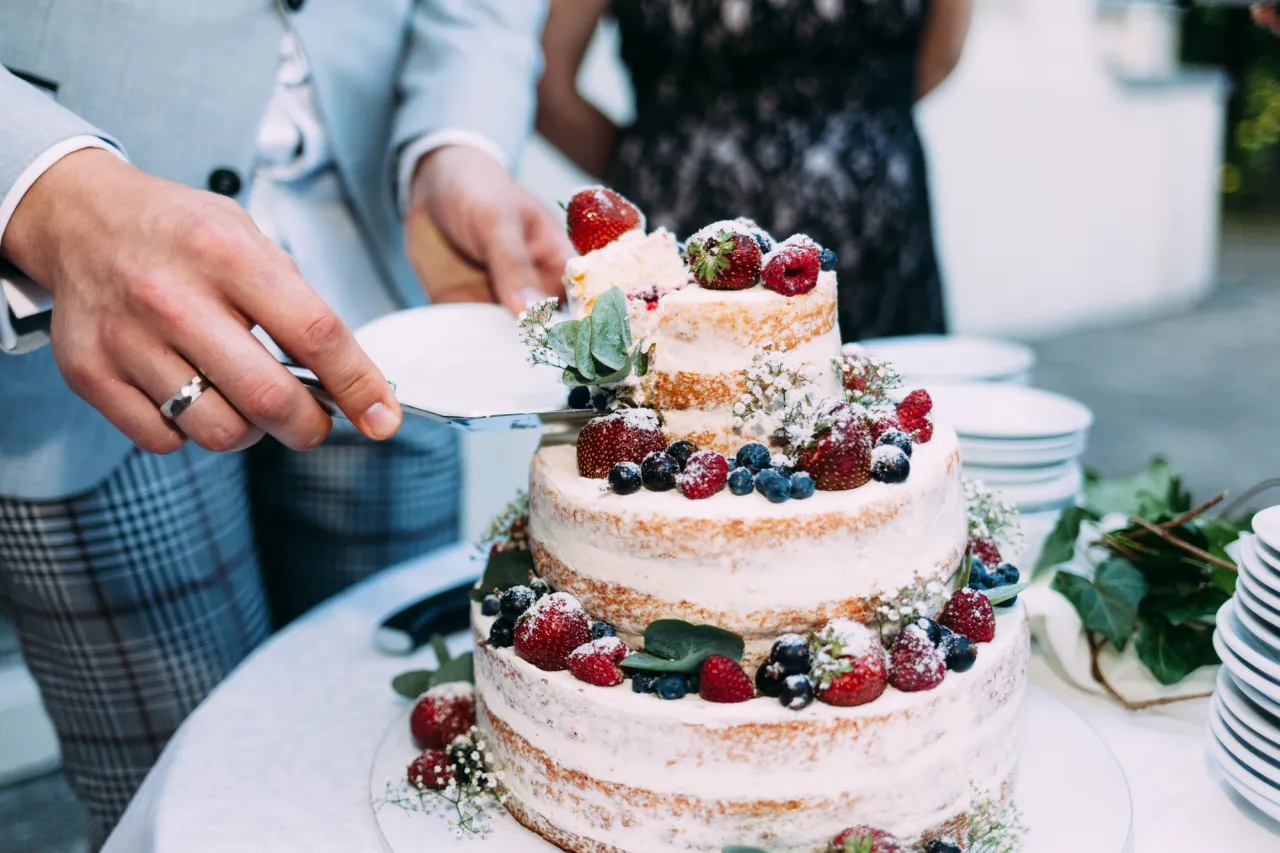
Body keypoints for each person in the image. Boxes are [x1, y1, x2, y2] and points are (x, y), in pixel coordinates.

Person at [0, 1, 568, 846]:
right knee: (179, 798)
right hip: (86, 318)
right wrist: (51, 191)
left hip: (383, 299)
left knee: (387, 744)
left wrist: (457, 141)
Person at [536, 0, 973, 343]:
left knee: (902, 443)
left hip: (880, 252)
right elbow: (545, 82)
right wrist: (646, 164)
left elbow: (940, 55)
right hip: (688, 255)